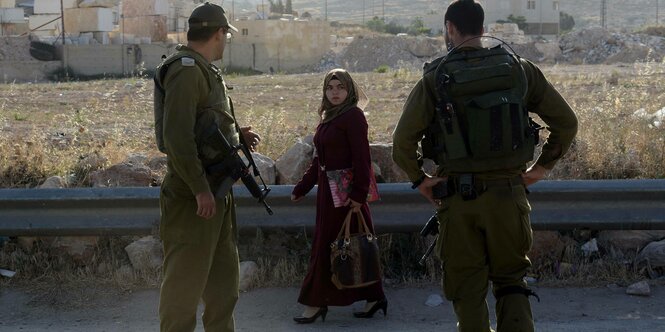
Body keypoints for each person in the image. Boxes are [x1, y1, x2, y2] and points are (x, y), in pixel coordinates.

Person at [392, 1, 578, 331]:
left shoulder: (436, 78)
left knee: (467, 290)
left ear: (450, 27)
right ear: (482, 26)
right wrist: (540, 169)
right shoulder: (519, 69)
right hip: (509, 196)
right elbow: (566, 122)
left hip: (458, 202)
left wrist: (420, 180)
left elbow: (402, 144)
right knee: (511, 283)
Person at [153, 2, 261, 332]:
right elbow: (177, 138)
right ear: (218, 33)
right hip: (194, 197)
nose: (225, 42)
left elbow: (203, 123)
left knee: (224, 287)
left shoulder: (202, 68)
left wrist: (235, 135)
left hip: (217, 192)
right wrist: (200, 189)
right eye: (224, 36)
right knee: (183, 291)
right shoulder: (186, 70)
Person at [291, 68, 387, 323]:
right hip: (329, 195)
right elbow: (318, 160)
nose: (335, 93)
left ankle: (316, 302)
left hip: (347, 198)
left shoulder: (353, 116)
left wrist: (358, 195)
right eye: (330, 88)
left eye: (340, 88)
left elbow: (362, 159)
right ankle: (375, 296)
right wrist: (302, 187)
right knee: (350, 247)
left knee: (332, 247)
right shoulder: (328, 118)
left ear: (350, 90)